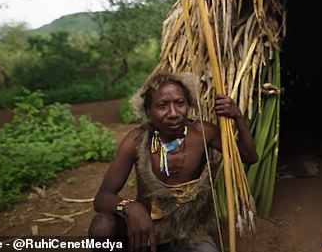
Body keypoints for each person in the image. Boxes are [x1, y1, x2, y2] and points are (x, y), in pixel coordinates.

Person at [89, 71, 257, 252]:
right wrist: (129, 207)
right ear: (147, 111)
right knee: (102, 226)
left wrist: (238, 117)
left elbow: (249, 157)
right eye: (162, 106)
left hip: (189, 233)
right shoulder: (137, 140)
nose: (173, 113)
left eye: (180, 103)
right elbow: (102, 198)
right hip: (147, 232)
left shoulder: (202, 133)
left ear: (189, 104)